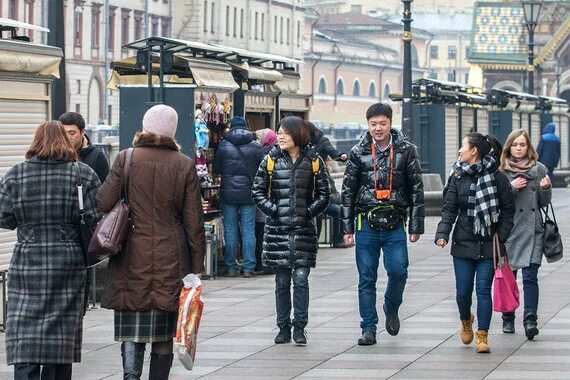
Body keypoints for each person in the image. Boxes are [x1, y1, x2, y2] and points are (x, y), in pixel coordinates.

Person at [97, 105, 205, 380]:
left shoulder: (126, 158)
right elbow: (194, 221)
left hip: (131, 255)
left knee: (133, 325)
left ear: (144, 127)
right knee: (164, 329)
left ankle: (130, 376)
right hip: (173, 256)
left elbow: (103, 201)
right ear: (173, 130)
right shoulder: (183, 163)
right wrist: (196, 266)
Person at [0, 121, 101, 380]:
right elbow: (94, 217)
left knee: (24, 330)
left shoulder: (15, 175)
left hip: (27, 261)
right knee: (61, 334)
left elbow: (5, 219)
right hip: (68, 261)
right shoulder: (83, 174)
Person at [341, 103, 425, 346]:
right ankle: (368, 327)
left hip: (395, 223)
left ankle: (391, 306)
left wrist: (416, 226)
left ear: (391, 122)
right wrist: (347, 229)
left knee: (399, 271)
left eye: (383, 123)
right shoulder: (358, 152)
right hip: (366, 223)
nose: (378, 128)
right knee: (366, 278)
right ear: (368, 125)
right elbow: (348, 191)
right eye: (373, 124)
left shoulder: (406, 150)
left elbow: (416, 189)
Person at [252, 116, 330, 345]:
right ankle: (283, 327)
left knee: (301, 278)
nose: (280, 136)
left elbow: (325, 195)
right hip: (278, 230)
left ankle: (300, 327)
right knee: (282, 281)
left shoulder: (313, 160)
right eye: (279, 132)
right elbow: (257, 192)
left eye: (285, 132)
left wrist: (308, 211)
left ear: (298, 134)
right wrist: (275, 211)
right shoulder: (271, 160)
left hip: (304, 229)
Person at [435, 133, 515, 354]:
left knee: (482, 291)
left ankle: (482, 335)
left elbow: (508, 210)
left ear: (474, 151)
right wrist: (443, 233)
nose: (459, 150)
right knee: (463, 293)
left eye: (463, 146)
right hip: (463, 243)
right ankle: (465, 321)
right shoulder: (458, 176)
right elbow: (449, 208)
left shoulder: (497, 178)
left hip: (489, 244)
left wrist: (502, 235)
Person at [499, 129, 552, 340]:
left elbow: (543, 203)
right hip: (510, 231)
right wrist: (510, 188)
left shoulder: (538, 169)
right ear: (509, 147)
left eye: (523, 145)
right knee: (509, 277)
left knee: (531, 277)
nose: (519, 148)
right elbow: (497, 202)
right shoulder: (501, 171)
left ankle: (530, 319)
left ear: (529, 147)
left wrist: (546, 189)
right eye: (515, 145)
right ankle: (508, 315)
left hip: (533, 230)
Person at [213, 116, 264, 278]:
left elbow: (217, 168)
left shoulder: (223, 145)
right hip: (249, 193)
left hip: (229, 193)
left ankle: (230, 267)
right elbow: (262, 171)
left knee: (230, 230)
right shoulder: (256, 146)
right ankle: (249, 267)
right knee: (249, 230)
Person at [306, 121, 346, 248]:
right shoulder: (301, 144)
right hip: (310, 193)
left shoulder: (322, 141)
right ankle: (315, 241)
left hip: (320, 191)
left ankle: (338, 239)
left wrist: (341, 156)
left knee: (336, 210)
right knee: (321, 210)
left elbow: (333, 153)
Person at [59, 112, 110, 183]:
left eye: (72, 133)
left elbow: (103, 189)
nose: (67, 137)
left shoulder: (96, 156)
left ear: (83, 132)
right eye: (63, 133)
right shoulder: (54, 154)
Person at [254, 128, 277, 274]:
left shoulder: (263, 154)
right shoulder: (278, 153)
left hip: (264, 202)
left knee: (260, 233)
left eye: (259, 138)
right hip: (273, 202)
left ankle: (262, 264)